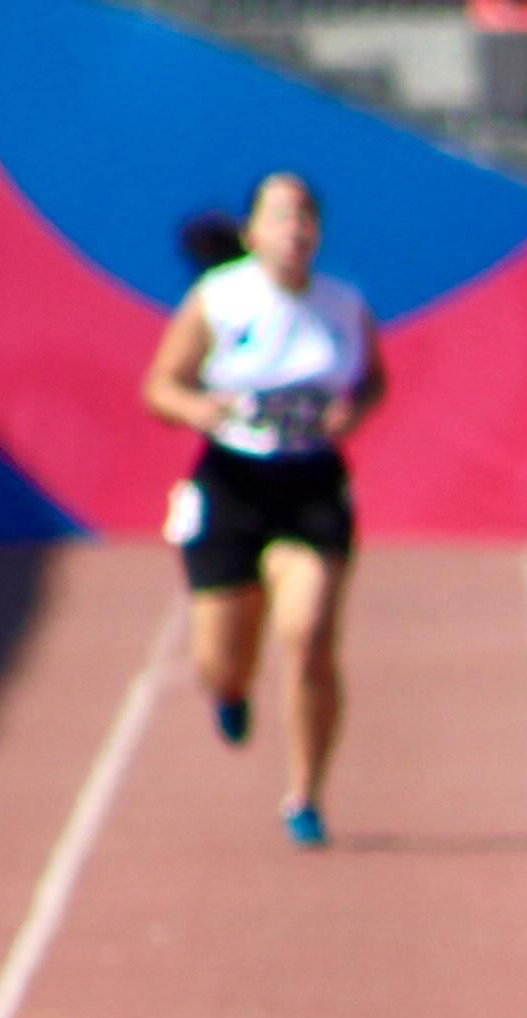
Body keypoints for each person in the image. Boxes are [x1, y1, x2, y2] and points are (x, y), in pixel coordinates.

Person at [141, 173, 381, 849]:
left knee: (308, 634)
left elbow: (375, 382)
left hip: (310, 484)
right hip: (233, 484)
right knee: (221, 658)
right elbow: (159, 385)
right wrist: (198, 408)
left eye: (305, 216)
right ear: (252, 233)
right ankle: (230, 691)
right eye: (279, 217)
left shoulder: (344, 306)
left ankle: (305, 794)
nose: (294, 229)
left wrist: (351, 412)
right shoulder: (219, 301)